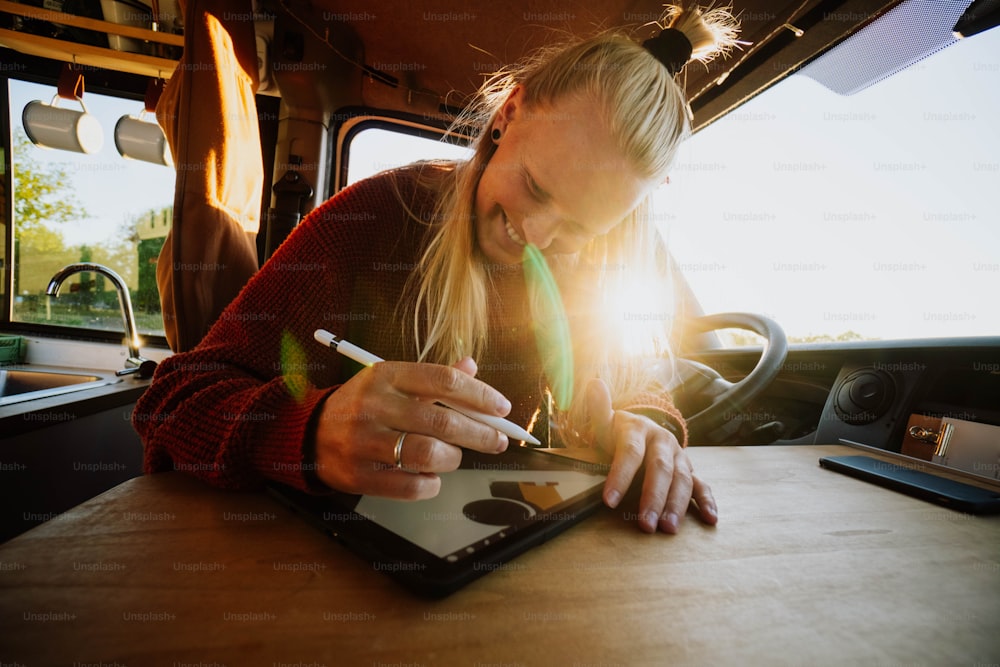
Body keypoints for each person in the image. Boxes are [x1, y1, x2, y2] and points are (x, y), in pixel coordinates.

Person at [133, 5, 740, 534]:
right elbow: (171, 404)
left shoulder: (588, 269)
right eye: (534, 186)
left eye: (580, 228)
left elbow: (627, 379)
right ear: (509, 113)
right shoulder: (373, 221)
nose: (536, 236)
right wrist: (309, 431)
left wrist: (645, 424)